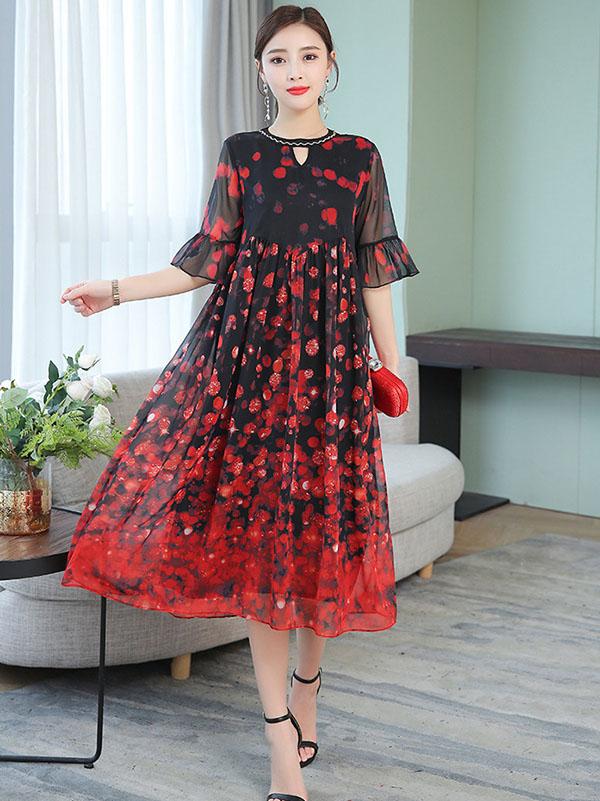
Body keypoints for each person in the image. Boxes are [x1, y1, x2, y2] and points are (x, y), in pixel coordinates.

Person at [59, 5, 419, 801]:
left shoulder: (361, 158)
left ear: (330, 65)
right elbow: (203, 262)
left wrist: (390, 367)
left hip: (333, 378)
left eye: (309, 55)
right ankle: (278, 734)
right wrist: (114, 289)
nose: (295, 70)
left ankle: (308, 689)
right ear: (261, 71)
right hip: (253, 374)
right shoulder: (242, 156)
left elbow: (374, 271)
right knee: (269, 552)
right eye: (279, 57)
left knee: (322, 543)